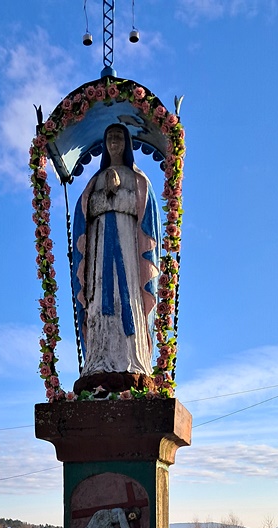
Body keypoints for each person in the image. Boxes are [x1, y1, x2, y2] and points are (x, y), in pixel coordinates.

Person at [72, 124, 161, 381]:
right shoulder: (96, 181)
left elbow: (146, 213)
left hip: (129, 250)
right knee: (99, 298)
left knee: (128, 299)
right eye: (110, 137)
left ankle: (131, 360)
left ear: (126, 143)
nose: (114, 142)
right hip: (99, 250)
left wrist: (118, 195)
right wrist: (105, 196)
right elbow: (84, 214)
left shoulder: (138, 179)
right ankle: (99, 360)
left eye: (118, 137)